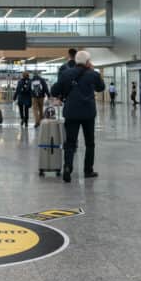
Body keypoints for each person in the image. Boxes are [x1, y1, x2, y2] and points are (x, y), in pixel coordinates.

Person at [51, 50, 105, 183]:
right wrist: (93, 72)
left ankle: (68, 167)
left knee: (70, 143)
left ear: (75, 61)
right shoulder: (93, 74)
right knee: (90, 143)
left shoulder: (65, 73)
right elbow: (101, 88)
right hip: (88, 114)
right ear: (87, 62)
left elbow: (54, 90)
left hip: (71, 113)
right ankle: (88, 170)